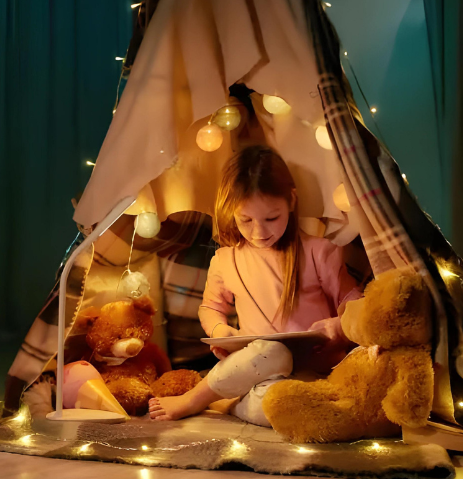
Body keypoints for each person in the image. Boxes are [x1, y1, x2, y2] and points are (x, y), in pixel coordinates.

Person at [148, 145, 362, 424]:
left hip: (318, 376)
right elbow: (210, 307)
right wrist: (219, 330)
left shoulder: (319, 252)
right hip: (262, 371)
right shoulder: (226, 260)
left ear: (292, 201)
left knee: (291, 401)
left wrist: (339, 327)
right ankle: (195, 399)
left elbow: (355, 304)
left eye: (272, 218)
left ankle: (237, 405)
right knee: (272, 354)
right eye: (245, 220)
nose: (259, 232)